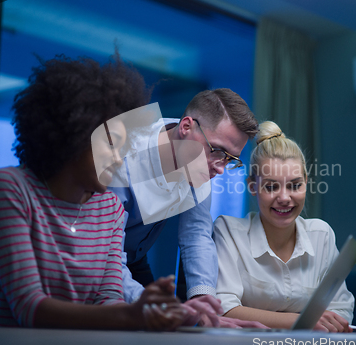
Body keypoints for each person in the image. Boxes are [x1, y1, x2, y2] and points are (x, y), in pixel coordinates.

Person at [0, 53, 197, 330]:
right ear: (74, 134)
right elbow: (29, 308)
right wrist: (131, 316)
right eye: (112, 145)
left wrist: (149, 311)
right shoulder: (9, 189)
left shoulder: (112, 209)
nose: (119, 160)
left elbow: (109, 298)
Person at [110, 89, 266, 327]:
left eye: (230, 159)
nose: (221, 168)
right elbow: (106, 256)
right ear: (186, 127)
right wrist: (156, 307)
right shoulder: (123, 152)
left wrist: (204, 304)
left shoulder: (200, 163)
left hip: (134, 258)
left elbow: (196, 235)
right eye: (217, 150)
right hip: (99, 257)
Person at [213, 121, 354, 332]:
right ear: (253, 187)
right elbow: (223, 309)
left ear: (306, 182)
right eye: (271, 187)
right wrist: (300, 321)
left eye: (295, 185)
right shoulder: (229, 231)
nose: (285, 198)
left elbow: (340, 310)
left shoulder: (322, 235)